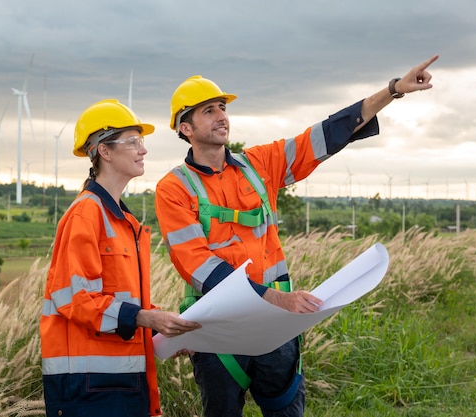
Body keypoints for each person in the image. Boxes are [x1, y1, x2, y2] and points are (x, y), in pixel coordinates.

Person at [154, 55, 439, 417]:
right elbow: (198, 266)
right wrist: (274, 298)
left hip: (277, 328)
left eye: (222, 107)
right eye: (208, 111)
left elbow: (325, 135)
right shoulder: (173, 188)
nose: (221, 116)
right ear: (185, 128)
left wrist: (393, 90)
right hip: (218, 333)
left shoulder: (259, 164)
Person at [40, 99, 201, 417]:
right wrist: (146, 319)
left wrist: (163, 329)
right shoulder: (87, 214)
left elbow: (121, 301)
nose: (143, 151)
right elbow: (74, 298)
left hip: (121, 381)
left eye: (141, 142)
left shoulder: (122, 221)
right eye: (133, 142)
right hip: (90, 388)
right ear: (104, 151)